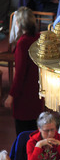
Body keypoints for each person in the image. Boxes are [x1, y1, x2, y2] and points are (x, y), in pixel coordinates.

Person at [4, 7, 44, 135]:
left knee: (23, 134)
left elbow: (20, 73)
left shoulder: (23, 43)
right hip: (37, 91)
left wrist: (11, 95)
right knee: (35, 132)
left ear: (18, 24)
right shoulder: (38, 38)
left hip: (24, 95)